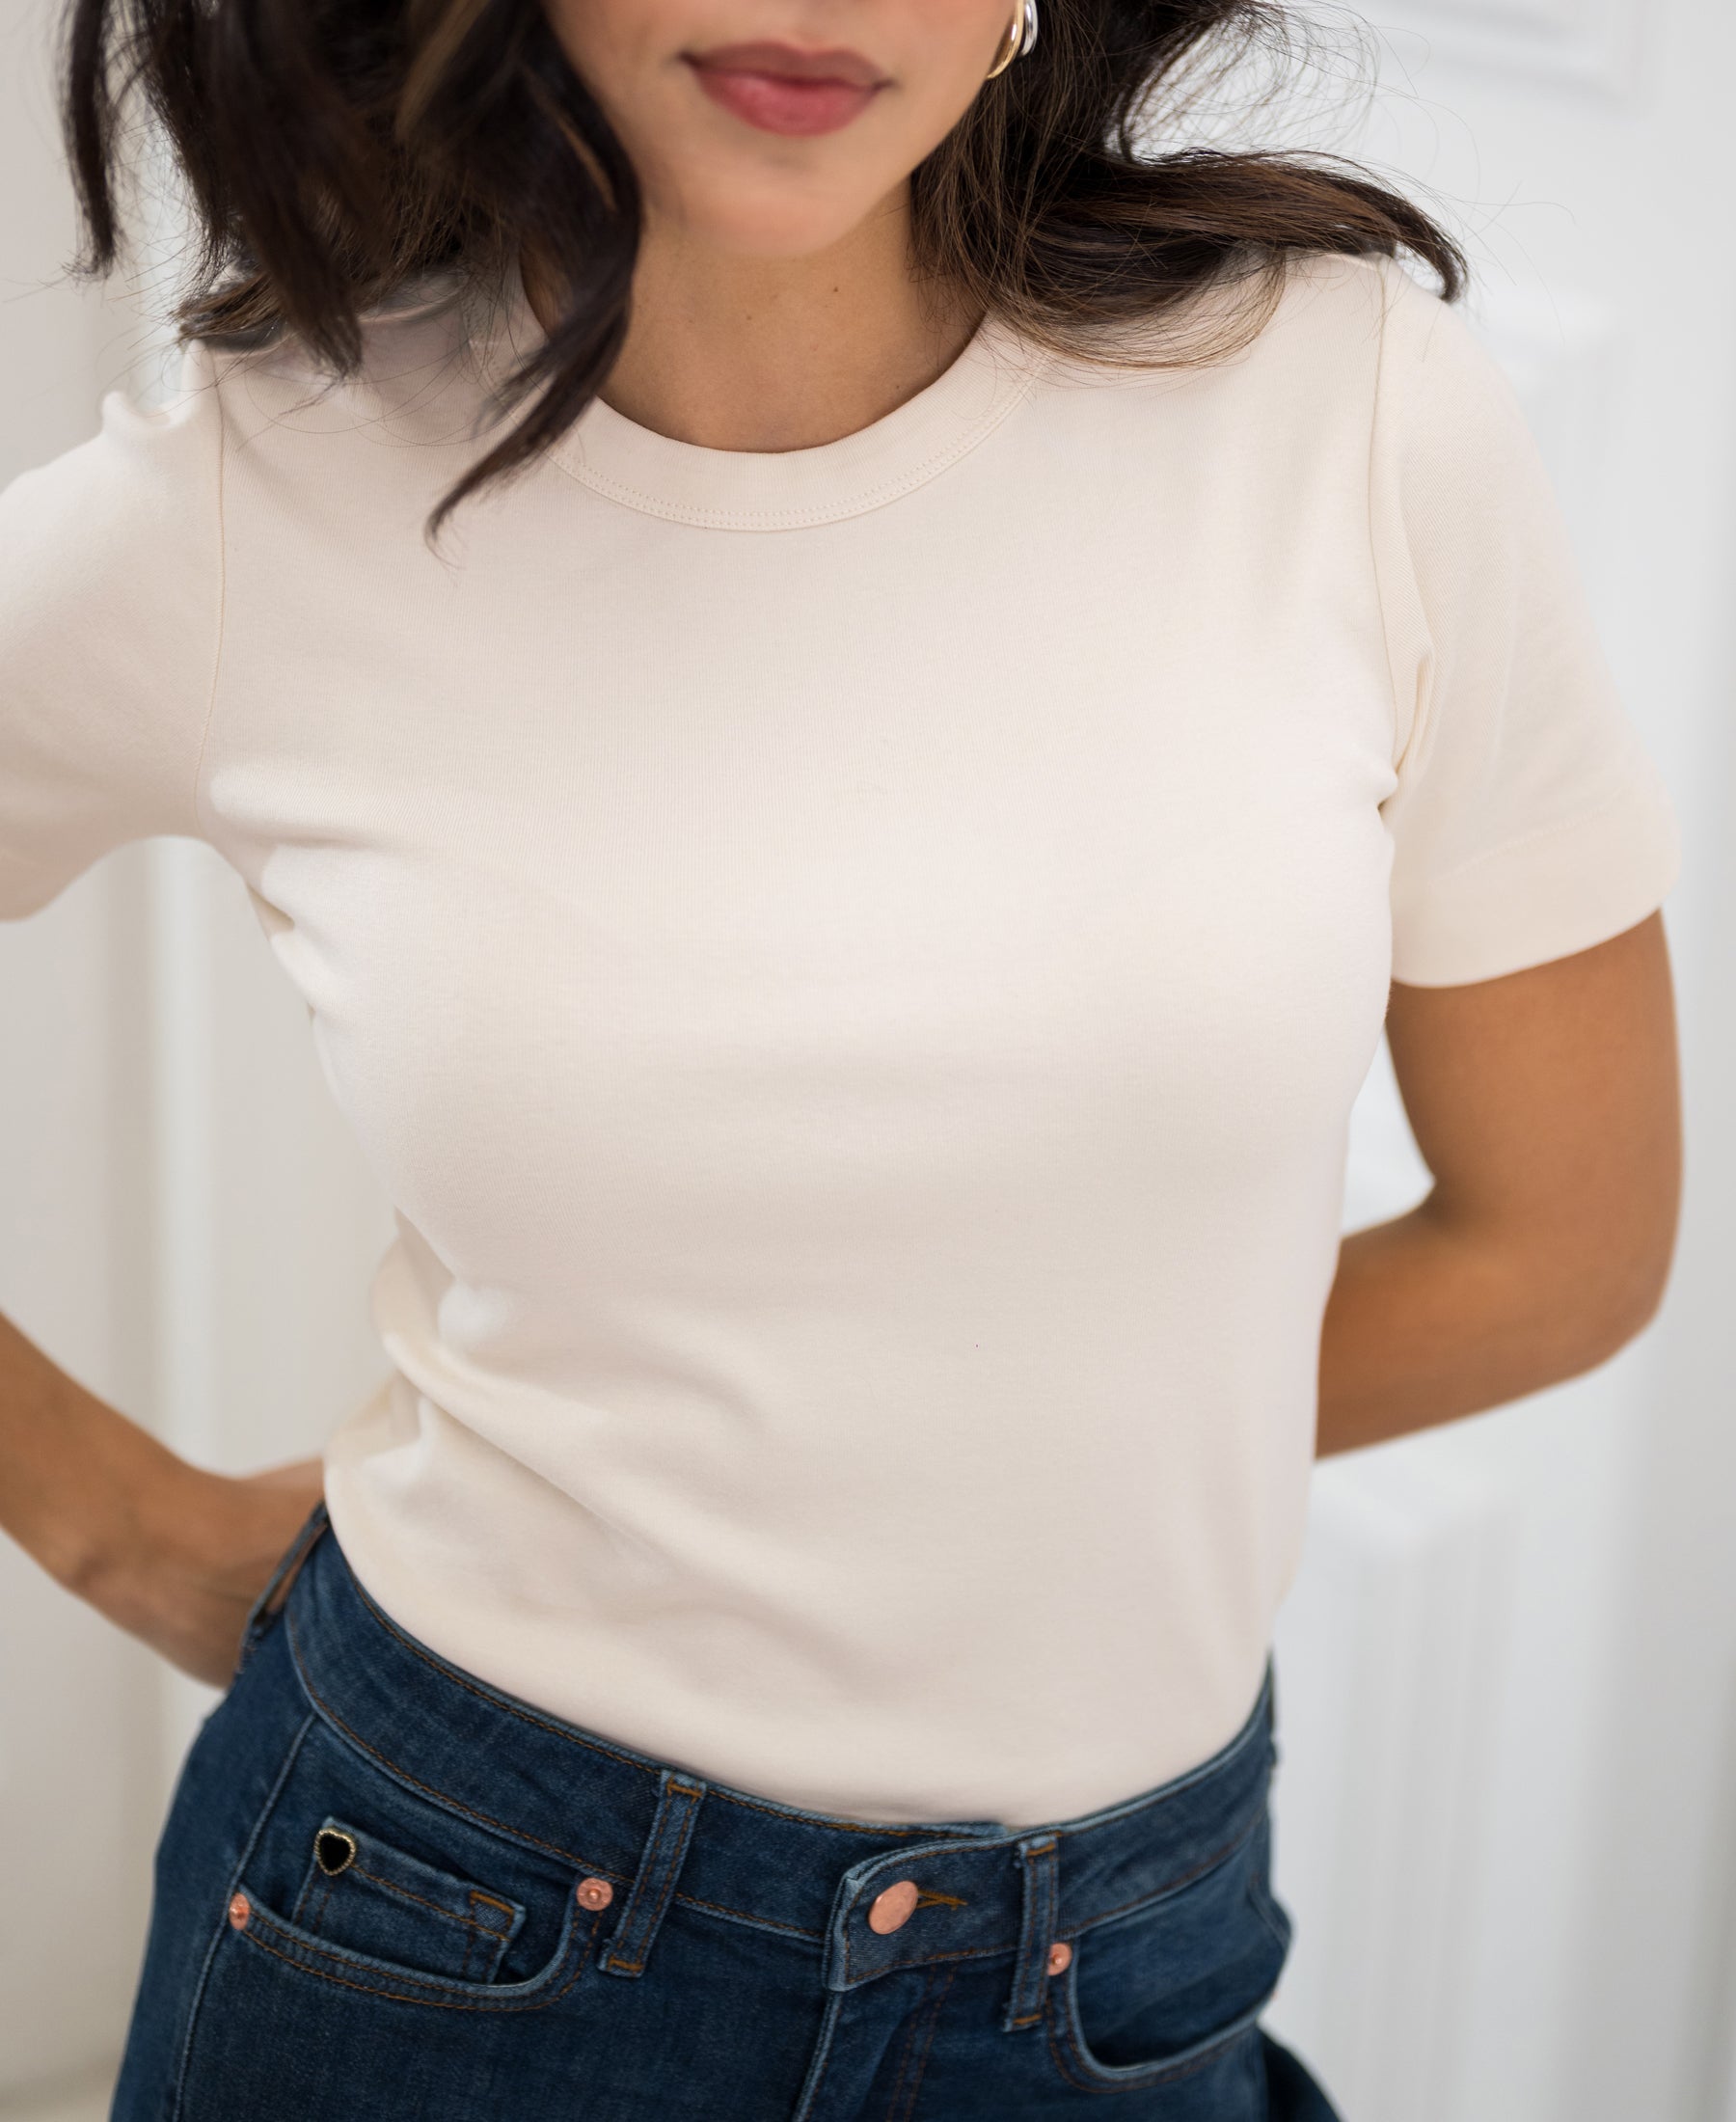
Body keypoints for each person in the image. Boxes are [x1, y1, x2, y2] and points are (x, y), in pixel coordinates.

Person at [0, 0, 1683, 2114]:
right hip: (436, 1924)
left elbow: (1564, 1241)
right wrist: (117, 1525)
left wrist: (950, 1441)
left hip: (1119, 1978)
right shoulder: (265, 494)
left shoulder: (1342, 408)